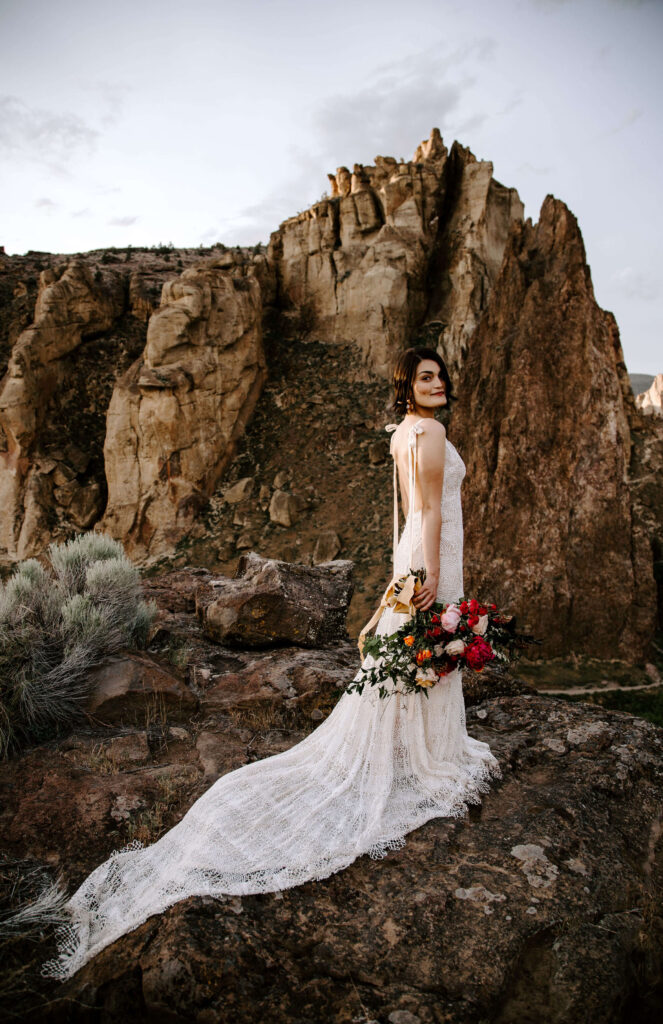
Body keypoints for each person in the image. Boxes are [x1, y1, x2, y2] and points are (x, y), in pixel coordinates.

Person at [42, 346, 502, 981]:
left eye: (442, 375)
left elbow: (408, 509)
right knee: (422, 651)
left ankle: (410, 744)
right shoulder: (430, 430)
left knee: (409, 658)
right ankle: (425, 752)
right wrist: (428, 579)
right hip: (428, 557)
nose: (439, 382)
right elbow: (425, 511)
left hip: (415, 555)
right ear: (407, 385)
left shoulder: (401, 432)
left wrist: (411, 570)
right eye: (426, 376)